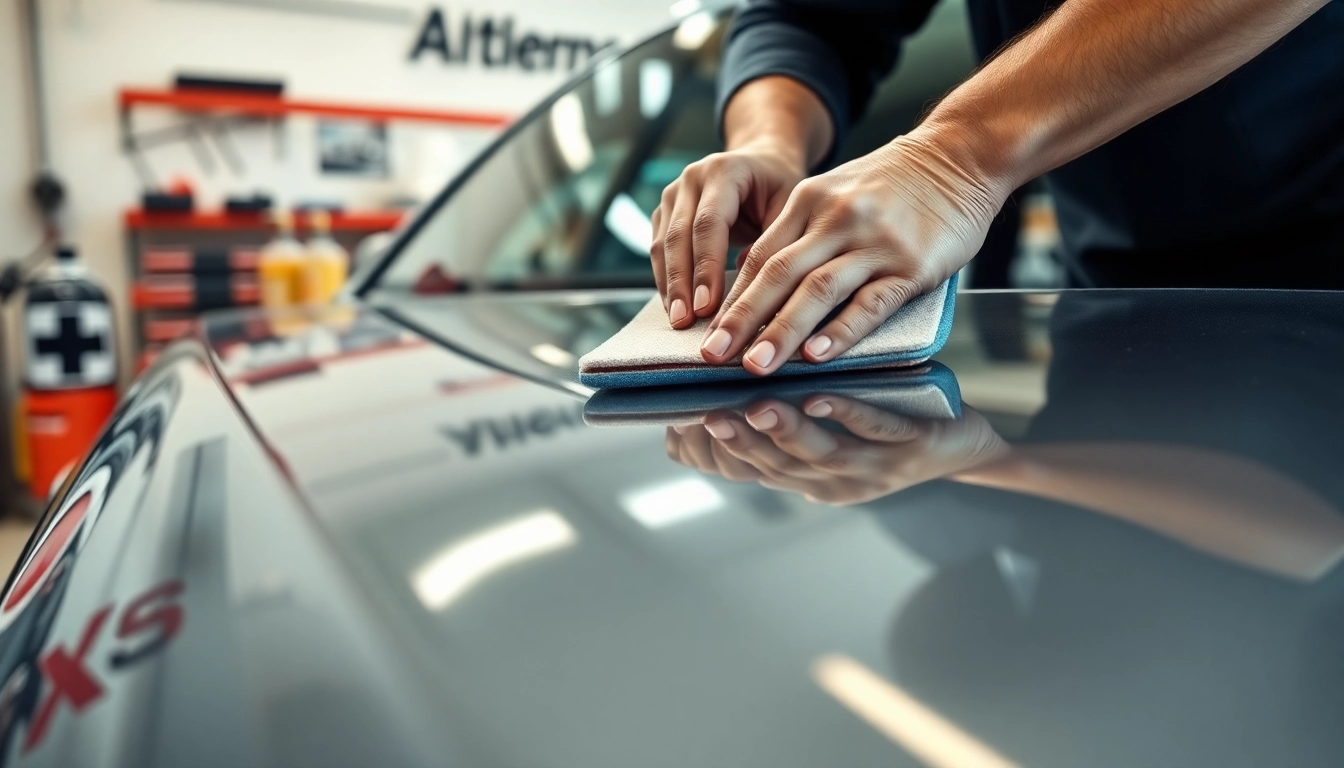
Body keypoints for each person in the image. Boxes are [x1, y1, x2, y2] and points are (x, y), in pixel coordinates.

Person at [650, 0, 1344, 376]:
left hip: (1317, 293)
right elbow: (810, 18)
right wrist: (769, 143)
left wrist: (952, 161)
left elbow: (1309, 543)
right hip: (1109, 319)